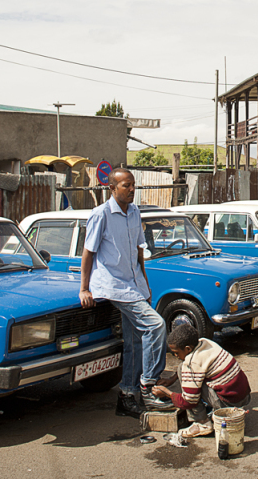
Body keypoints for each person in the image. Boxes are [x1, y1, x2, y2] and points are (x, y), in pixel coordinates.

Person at [79, 167, 172, 418]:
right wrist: (84, 288)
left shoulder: (134, 212)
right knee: (156, 326)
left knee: (134, 342)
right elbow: (88, 253)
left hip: (134, 285)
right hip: (114, 286)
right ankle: (149, 384)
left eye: (133, 185)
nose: (132, 189)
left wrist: (145, 283)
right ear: (112, 188)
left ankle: (127, 396)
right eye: (126, 185)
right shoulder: (101, 215)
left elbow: (138, 250)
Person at [151, 324, 251, 438]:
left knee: (190, 388)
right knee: (181, 368)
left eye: (177, 352)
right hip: (243, 396)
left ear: (188, 348)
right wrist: (172, 379)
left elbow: (189, 401)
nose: (175, 355)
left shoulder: (192, 363)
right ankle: (228, 410)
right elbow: (188, 368)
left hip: (229, 402)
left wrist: (167, 393)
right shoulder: (204, 342)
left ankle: (202, 424)